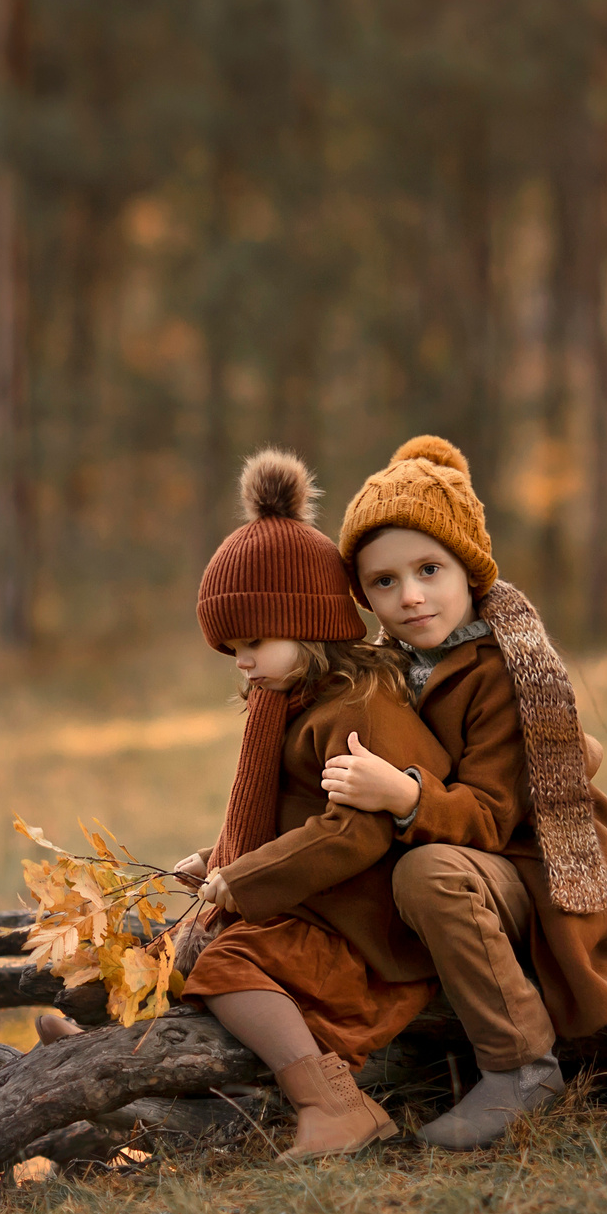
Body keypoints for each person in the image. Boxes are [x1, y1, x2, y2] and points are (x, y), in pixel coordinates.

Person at [320, 435, 607, 1150]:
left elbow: (492, 817)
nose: (409, 596)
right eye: (382, 582)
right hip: (463, 850)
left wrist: (401, 796)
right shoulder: (387, 668)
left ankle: (520, 1067)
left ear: (469, 568)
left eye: (429, 569)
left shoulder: (502, 672)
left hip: (533, 865)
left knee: (427, 871)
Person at [171, 447, 460, 1160]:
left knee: (225, 962)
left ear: (309, 624)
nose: (241, 661)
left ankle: (332, 1104)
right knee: (178, 943)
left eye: (254, 642)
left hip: (367, 925)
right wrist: (219, 859)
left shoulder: (358, 706)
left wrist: (243, 881)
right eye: (230, 647)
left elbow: (350, 836)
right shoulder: (291, 702)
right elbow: (285, 821)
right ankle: (112, 1047)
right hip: (318, 902)